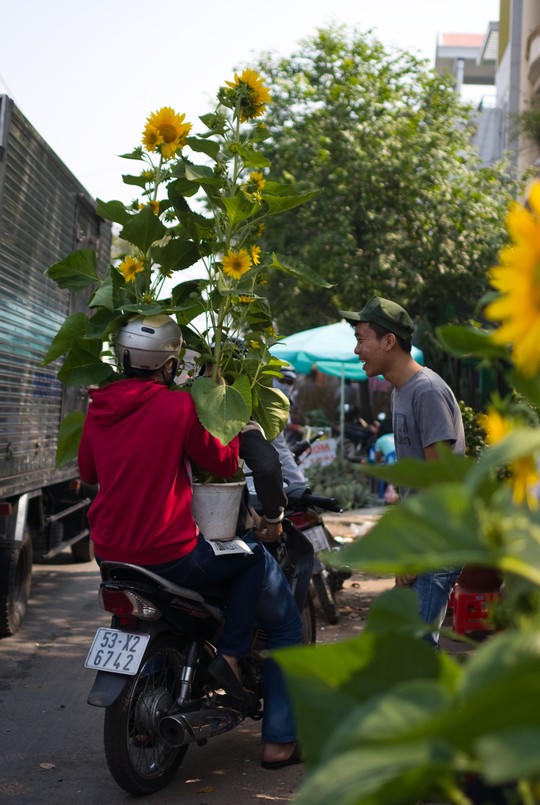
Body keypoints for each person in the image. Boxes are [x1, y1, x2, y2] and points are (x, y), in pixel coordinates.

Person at [78, 314, 302, 768]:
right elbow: (221, 464)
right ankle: (237, 663)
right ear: (170, 362)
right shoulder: (177, 407)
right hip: (169, 556)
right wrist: (240, 425)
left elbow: (88, 473)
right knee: (252, 560)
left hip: (110, 555)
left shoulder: (98, 405)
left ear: (123, 358)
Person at [341, 297, 465, 646]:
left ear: (389, 341)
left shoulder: (426, 391)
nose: (356, 349)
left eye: (362, 338)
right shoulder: (402, 392)